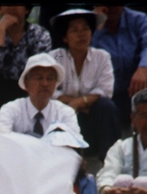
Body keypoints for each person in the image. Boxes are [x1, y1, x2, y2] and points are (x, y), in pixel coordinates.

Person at [50, 9, 118, 160]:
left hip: (92, 115)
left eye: (85, 29)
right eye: (74, 30)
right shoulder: (56, 56)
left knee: (107, 106)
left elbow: (105, 89)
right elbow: (51, 90)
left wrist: (80, 102)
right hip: (65, 116)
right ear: (65, 37)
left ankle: (109, 160)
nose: (81, 34)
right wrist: (72, 104)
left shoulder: (102, 56)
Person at [89, 5, 147, 124]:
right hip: (107, 93)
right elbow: (83, 54)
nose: (112, 7)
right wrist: (96, 27)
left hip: (134, 88)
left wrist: (143, 68)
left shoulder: (139, 19)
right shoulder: (88, 23)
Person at [0, 5, 52, 117]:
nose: (11, 7)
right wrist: (1, 31)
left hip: (26, 89)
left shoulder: (40, 34)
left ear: (26, 9)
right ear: (0, 9)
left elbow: (38, 65)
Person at [0, 53, 79, 139]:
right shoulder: (11, 109)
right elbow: (1, 139)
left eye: (50, 78)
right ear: (26, 83)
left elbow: (75, 142)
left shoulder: (65, 113)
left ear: (55, 84)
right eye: (39, 78)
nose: (45, 84)